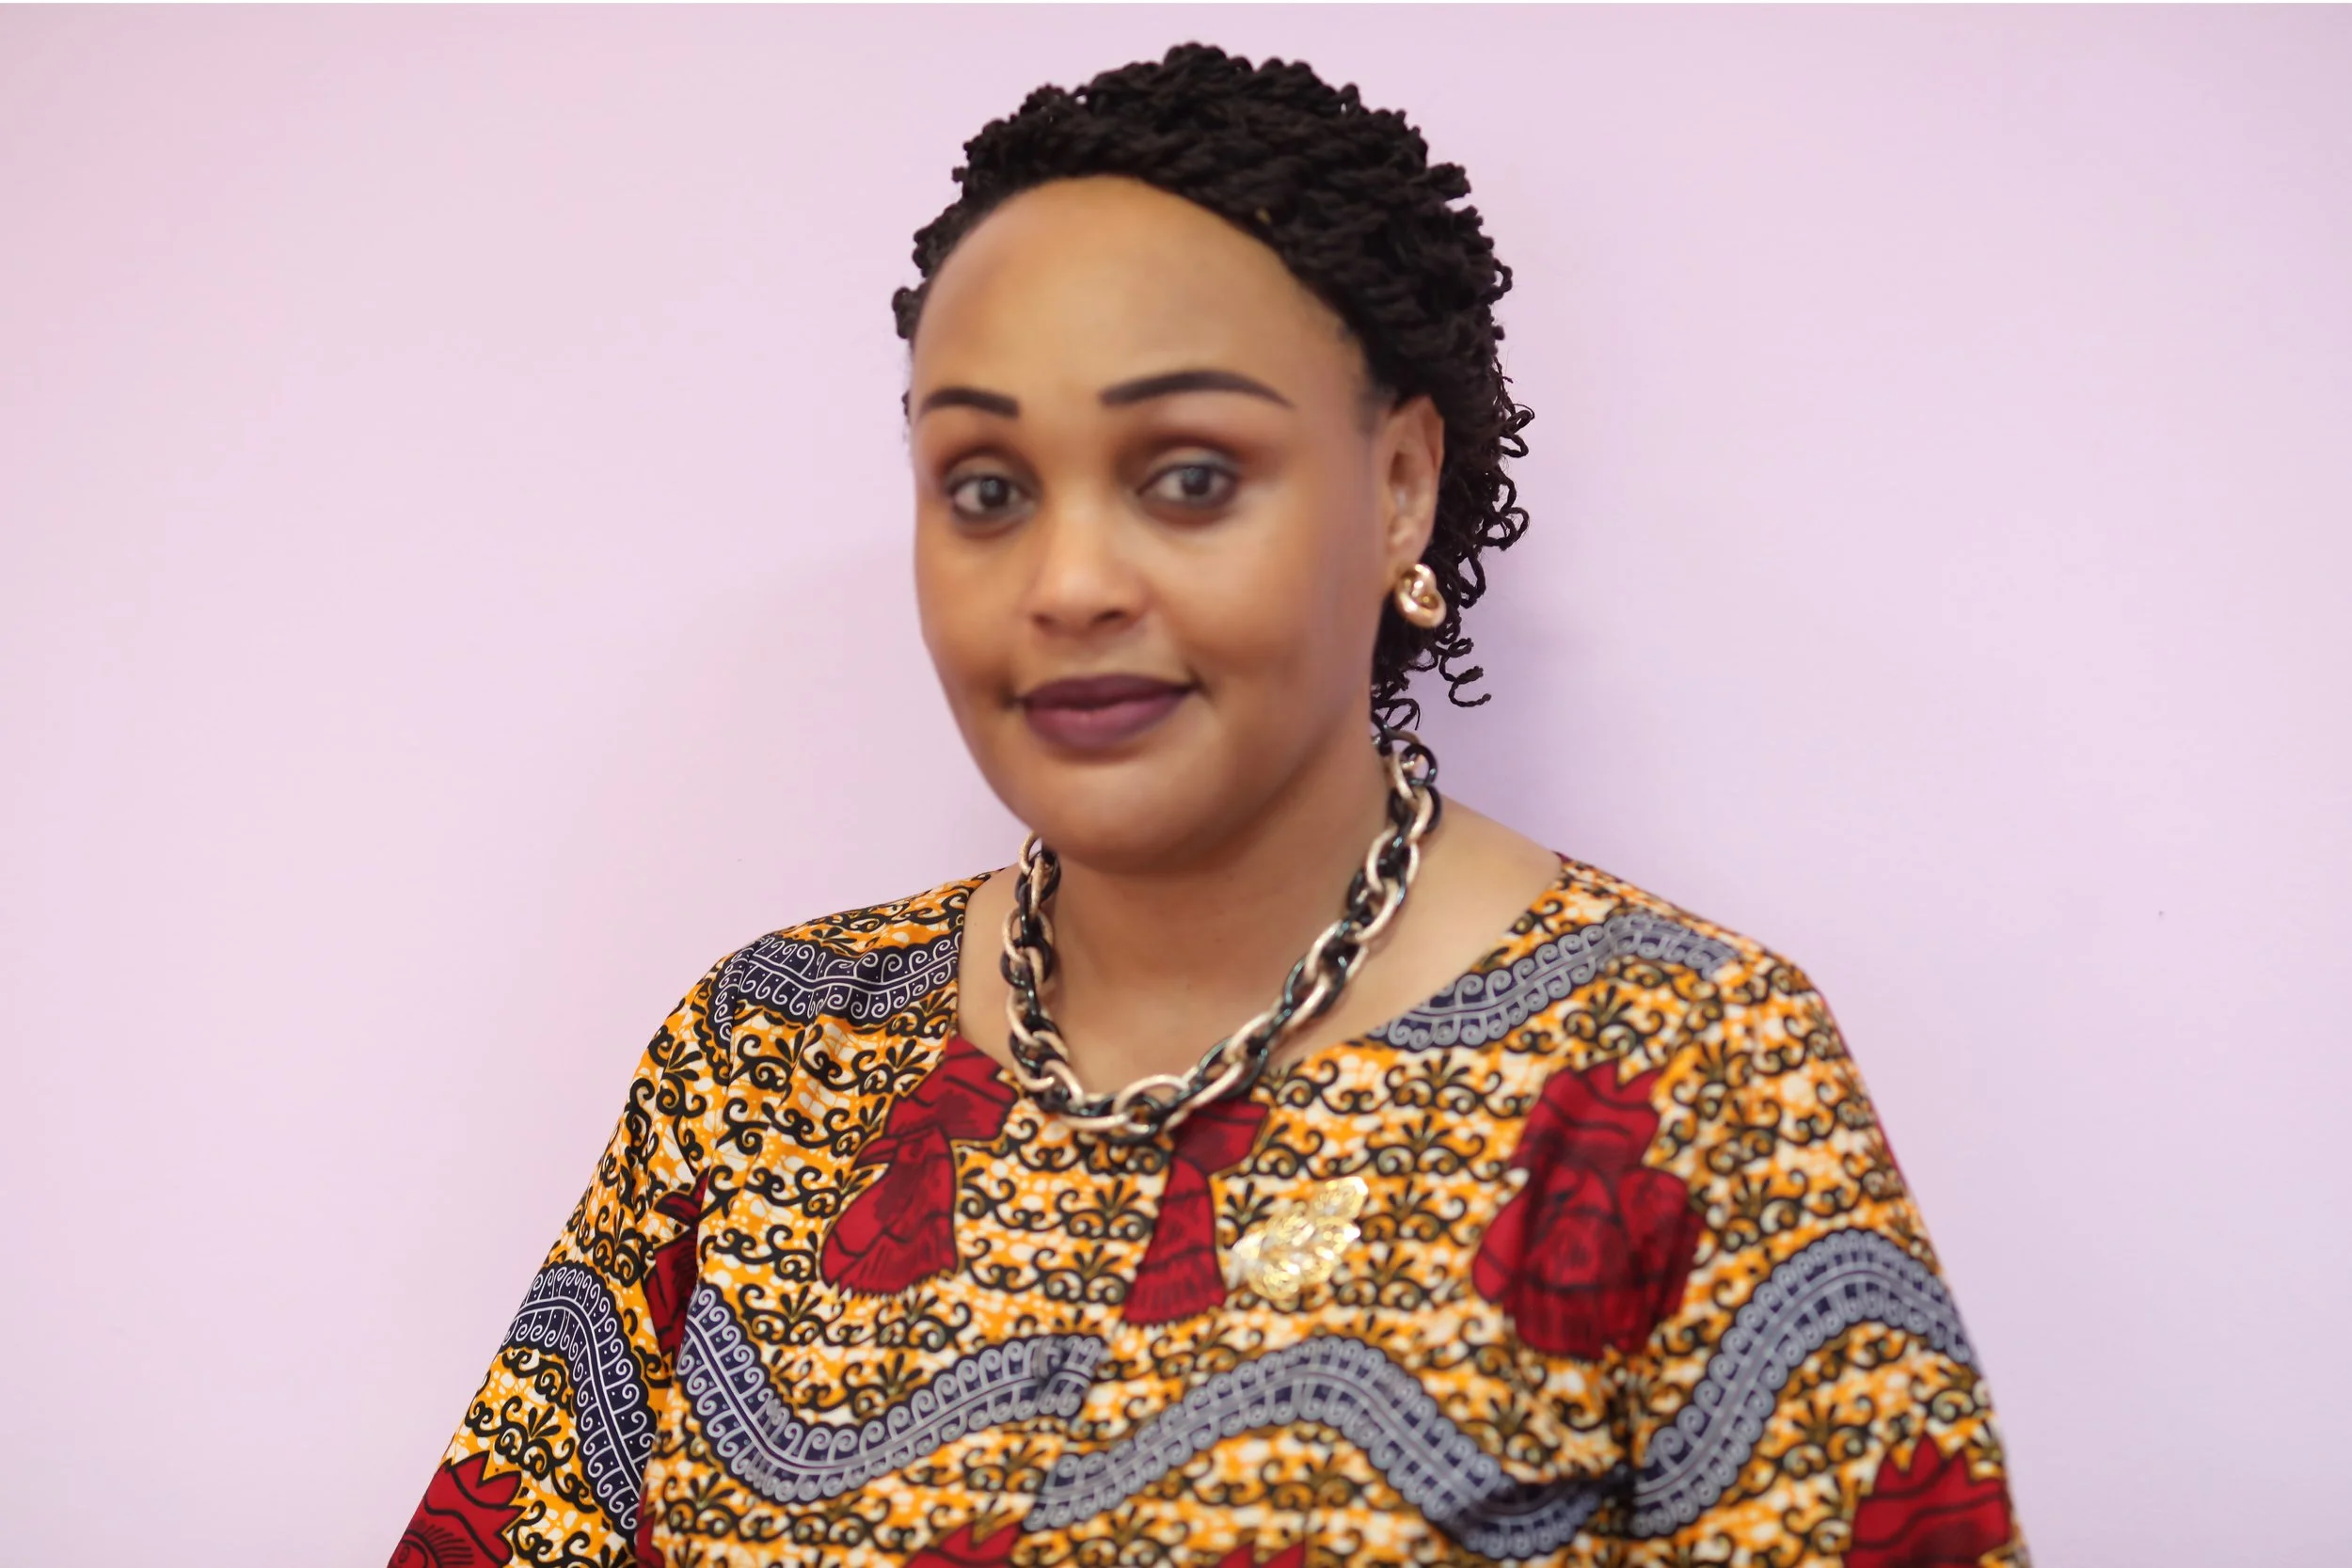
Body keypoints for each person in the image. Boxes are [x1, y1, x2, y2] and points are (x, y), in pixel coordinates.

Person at [393, 43, 2024, 1568]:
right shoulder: (768, 1062)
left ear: (1400, 485)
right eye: (986, 489)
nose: (1071, 581)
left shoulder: (1690, 1075)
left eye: (1189, 475)